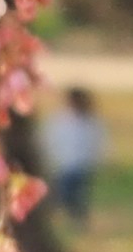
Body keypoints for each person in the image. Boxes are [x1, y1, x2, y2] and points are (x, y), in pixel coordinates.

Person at [40, 86, 108, 223]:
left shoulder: (91, 122)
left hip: (82, 166)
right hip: (63, 165)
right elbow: (49, 141)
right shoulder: (60, 120)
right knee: (64, 194)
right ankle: (68, 218)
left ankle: (76, 219)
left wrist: (99, 160)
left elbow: (99, 143)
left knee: (75, 195)